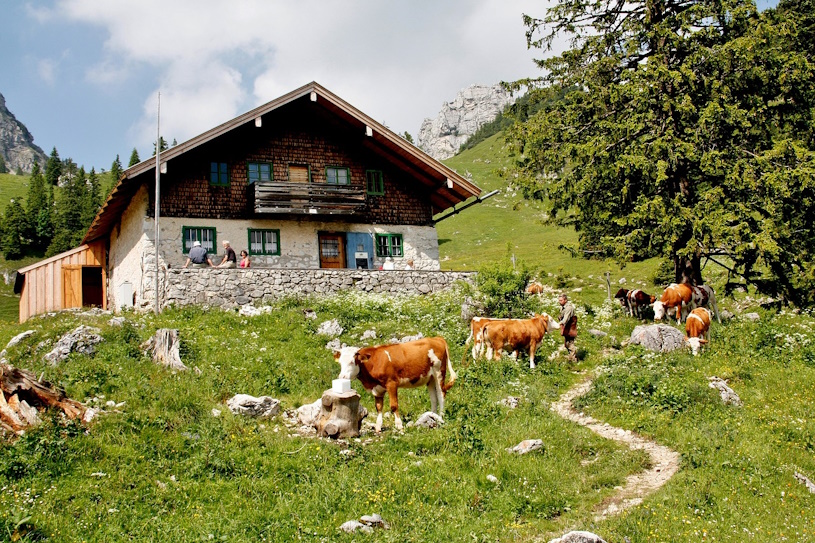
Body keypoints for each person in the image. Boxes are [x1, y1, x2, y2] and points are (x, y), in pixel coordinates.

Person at [558, 293, 578, 362]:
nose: (559, 302)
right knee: (567, 344)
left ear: (565, 300)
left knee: (570, 343)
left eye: (561, 300)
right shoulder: (563, 307)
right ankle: (571, 357)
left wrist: (559, 324)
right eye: (559, 300)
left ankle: (573, 359)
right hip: (567, 328)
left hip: (570, 328)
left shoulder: (569, 308)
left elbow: (565, 319)